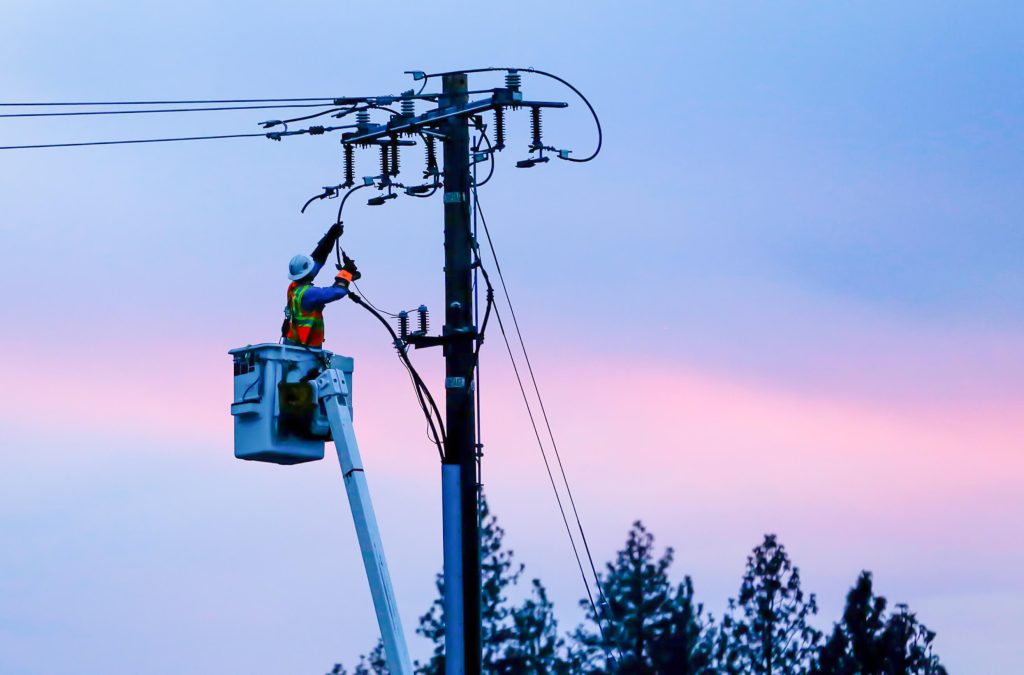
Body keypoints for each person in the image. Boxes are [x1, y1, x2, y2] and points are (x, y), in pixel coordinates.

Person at [282, 222, 361, 348]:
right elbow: (337, 292)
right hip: (305, 349)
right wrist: (346, 272)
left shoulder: (293, 287)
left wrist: (330, 237)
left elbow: (317, 260)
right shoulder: (308, 294)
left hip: (293, 343)